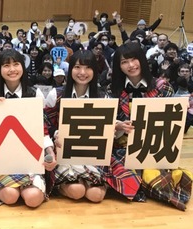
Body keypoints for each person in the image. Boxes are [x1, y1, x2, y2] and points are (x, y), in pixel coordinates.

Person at [109, 43, 191, 210]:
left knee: (155, 177)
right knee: (119, 173)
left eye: (134, 59)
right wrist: (118, 127)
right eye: (124, 62)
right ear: (119, 66)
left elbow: (171, 123)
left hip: (154, 144)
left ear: (142, 59)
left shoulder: (162, 87)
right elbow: (110, 124)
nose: (131, 65)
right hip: (123, 146)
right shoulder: (114, 90)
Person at [0, 49, 56, 208]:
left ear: (23, 67)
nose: (12, 69)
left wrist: (49, 151)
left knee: (33, 198)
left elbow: (42, 128)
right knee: (10, 196)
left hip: (30, 156)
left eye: (16, 64)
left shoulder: (35, 93)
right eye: (6, 65)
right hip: (3, 157)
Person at [45, 50, 108, 203]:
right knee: (76, 190)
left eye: (88, 68)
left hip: (93, 152)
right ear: (70, 68)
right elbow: (45, 124)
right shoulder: (56, 94)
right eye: (77, 67)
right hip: (63, 151)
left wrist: (116, 127)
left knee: (96, 195)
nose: (82, 72)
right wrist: (56, 134)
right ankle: (58, 185)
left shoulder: (103, 97)